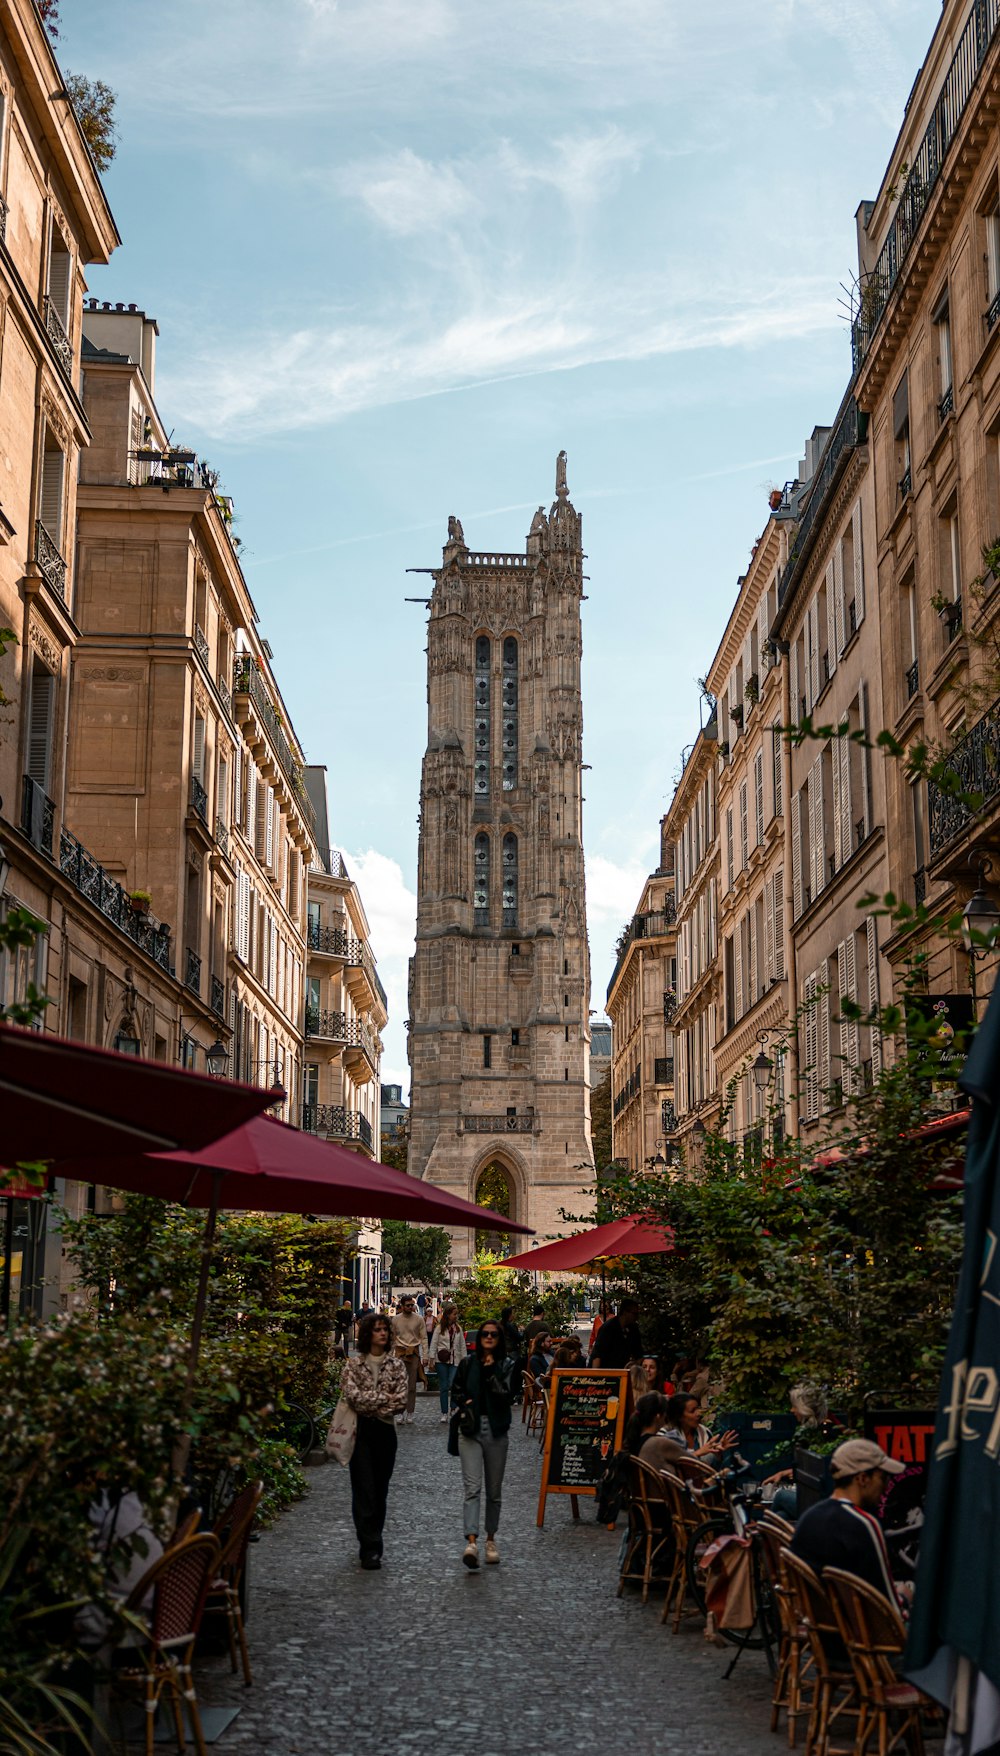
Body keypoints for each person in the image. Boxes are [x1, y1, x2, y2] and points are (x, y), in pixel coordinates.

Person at [790, 1439, 904, 1618]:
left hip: (825, 1630)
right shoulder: (863, 1524)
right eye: (883, 1478)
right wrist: (906, 1595)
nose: (885, 1486)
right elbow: (889, 1608)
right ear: (862, 1479)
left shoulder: (809, 1518)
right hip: (864, 1635)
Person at [340, 1312, 408, 1569]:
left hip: (385, 1432)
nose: (383, 1333)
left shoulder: (396, 1366)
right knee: (363, 1488)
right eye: (378, 1329)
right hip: (359, 1431)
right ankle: (369, 1547)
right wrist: (382, 1400)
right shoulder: (353, 1366)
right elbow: (351, 1396)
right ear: (368, 1334)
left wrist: (370, 1401)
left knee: (380, 1490)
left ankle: (373, 1538)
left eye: (385, 1330)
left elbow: (401, 1401)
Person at [451, 1319, 516, 1568]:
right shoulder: (468, 1363)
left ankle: (491, 1540)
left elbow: (507, 1396)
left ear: (499, 1340)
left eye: (493, 1335)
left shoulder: (507, 1365)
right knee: (472, 1488)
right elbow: (456, 1388)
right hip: (471, 1430)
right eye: (485, 1334)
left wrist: (490, 1374)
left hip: (497, 1430)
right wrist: (463, 1402)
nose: (488, 1338)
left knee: (495, 1491)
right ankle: (471, 1542)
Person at [661, 1392, 739, 1462]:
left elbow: (712, 1466)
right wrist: (698, 1453)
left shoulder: (704, 1432)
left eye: (698, 1408)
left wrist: (718, 1452)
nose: (699, 1414)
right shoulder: (665, 1435)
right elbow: (667, 1465)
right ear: (679, 1416)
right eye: (692, 1411)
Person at [391, 1293, 426, 1424]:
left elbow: (424, 1338)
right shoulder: (395, 1320)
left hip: (414, 1353)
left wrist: (426, 1356)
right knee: (399, 1384)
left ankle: (410, 1412)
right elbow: (391, 1338)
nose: (411, 1307)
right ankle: (400, 1412)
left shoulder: (419, 1319)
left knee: (411, 1386)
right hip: (399, 1352)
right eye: (408, 1305)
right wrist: (389, 1356)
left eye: (412, 1305)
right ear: (402, 1306)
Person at [429, 1302, 467, 1424]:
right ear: (448, 1315)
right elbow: (434, 1343)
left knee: (453, 1383)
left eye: (456, 1314)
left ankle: (453, 1408)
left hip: (455, 1360)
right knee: (444, 1386)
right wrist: (431, 1359)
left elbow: (462, 1346)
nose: (456, 1316)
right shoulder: (439, 1328)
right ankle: (444, 1412)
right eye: (454, 1314)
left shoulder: (458, 1329)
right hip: (442, 1360)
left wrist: (464, 1361)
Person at [589, 1298, 644, 1369]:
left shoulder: (633, 1329)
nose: (637, 1317)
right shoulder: (608, 1328)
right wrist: (595, 1376)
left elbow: (638, 1353)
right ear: (625, 1312)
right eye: (634, 1314)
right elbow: (597, 1354)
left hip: (623, 1372)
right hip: (607, 1371)